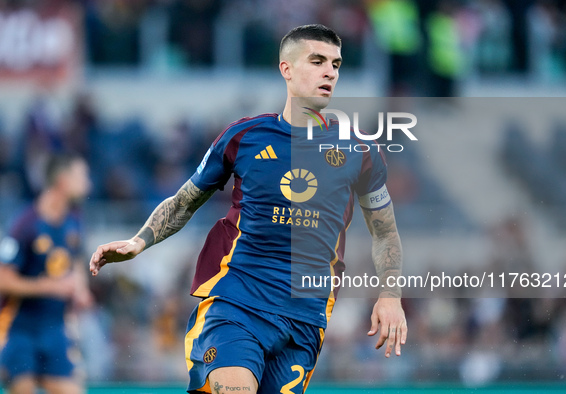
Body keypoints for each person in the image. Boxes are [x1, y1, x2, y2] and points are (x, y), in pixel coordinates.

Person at [89, 24, 407, 394]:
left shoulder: (361, 153)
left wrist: (390, 296)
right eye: (317, 61)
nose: (329, 72)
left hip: (305, 319)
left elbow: (385, 231)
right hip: (237, 303)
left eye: (335, 64)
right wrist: (139, 241)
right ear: (286, 69)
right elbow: (185, 201)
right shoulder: (244, 136)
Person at [0, 153, 93, 394]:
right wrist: (50, 287)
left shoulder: (75, 220)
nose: (88, 184)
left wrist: (80, 289)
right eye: (82, 176)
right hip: (19, 329)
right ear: (63, 181)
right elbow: (3, 279)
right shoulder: (24, 224)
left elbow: (76, 262)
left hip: (55, 329)